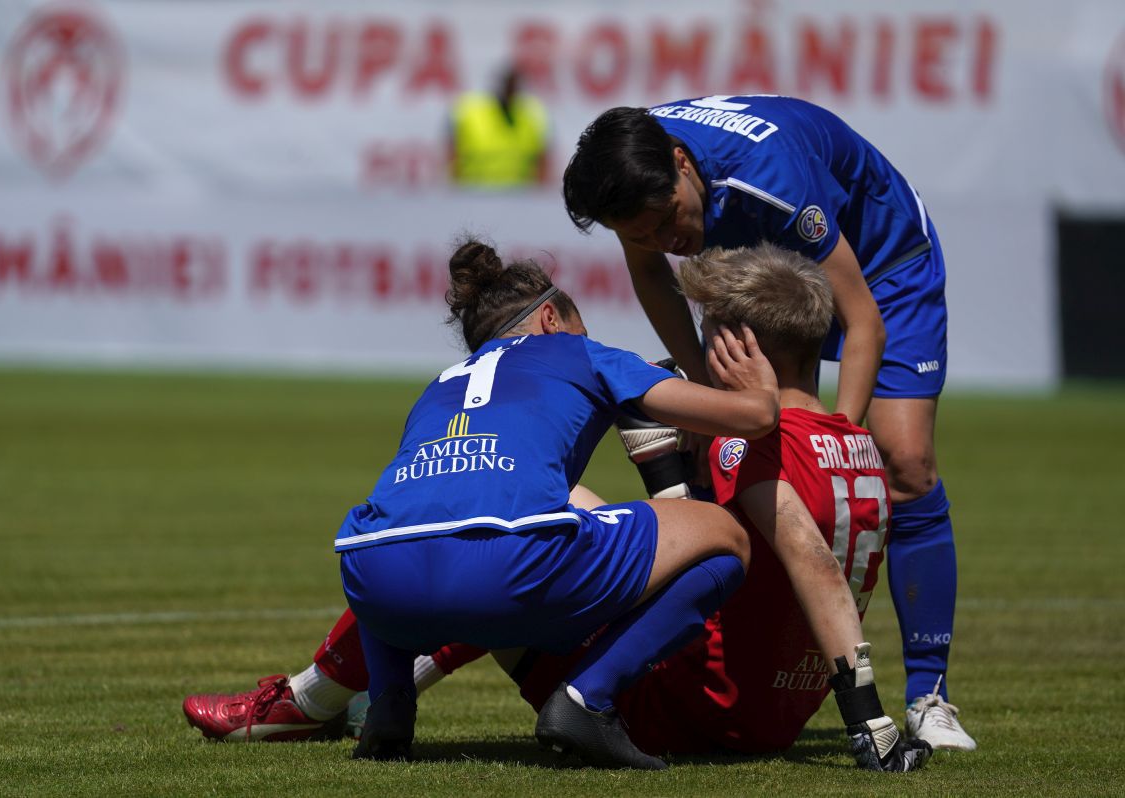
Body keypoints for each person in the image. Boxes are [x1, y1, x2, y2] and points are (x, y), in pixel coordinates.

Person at [183, 244, 931, 772]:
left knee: (467, 527)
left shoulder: (442, 380)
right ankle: (552, 698)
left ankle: (353, 701)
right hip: (762, 702)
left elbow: (788, 538)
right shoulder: (854, 443)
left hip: (383, 575)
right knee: (548, 534)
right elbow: (767, 480)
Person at [560, 95, 975, 751]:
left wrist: (836, 442)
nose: (661, 241)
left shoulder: (769, 173)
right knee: (720, 450)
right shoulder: (628, 176)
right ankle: (726, 663)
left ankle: (929, 696)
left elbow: (861, 316)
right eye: (638, 232)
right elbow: (653, 276)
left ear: (680, 163)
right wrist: (703, 397)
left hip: (881, 261)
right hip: (756, 267)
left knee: (903, 462)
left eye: (667, 219)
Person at [323, 238, 781, 768]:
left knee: (410, 528)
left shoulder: (440, 384)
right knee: (726, 537)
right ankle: (587, 701)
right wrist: (763, 393)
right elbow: (749, 419)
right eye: (579, 324)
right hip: (511, 570)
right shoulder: (578, 352)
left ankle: (389, 705)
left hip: (374, 581)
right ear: (549, 318)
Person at [448, 67, 549, 187]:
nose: (510, 91)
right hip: (475, 191)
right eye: (508, 86)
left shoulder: (532, 115)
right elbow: (453, 155)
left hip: (519, 194)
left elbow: (542, 161)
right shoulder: (470, 113)